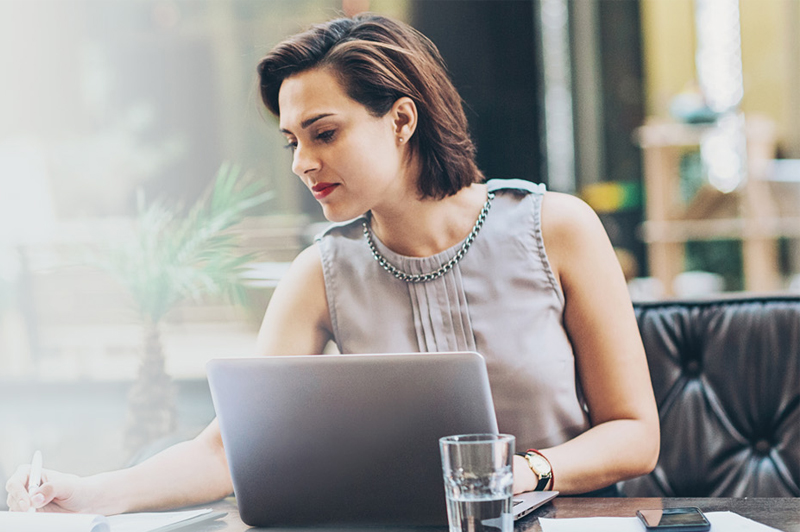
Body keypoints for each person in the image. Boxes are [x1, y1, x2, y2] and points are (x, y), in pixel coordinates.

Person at [6, 13, 659, 514]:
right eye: (292, 141)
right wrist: (88, 494)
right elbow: (230, 448)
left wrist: (524, 474)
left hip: (573, 520)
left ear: (401, 119)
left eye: (325, 133)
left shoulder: (558, 227)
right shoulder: (319, 274)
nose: (302, 163)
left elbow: (634, 433)